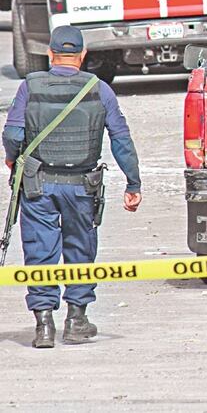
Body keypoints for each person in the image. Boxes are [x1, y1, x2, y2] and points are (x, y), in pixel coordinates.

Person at [2, 26, 142, 349]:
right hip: (82, 186)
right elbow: (121, 139)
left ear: (50, 54)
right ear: (83, 56)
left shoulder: (29, 87)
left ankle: (44, 325)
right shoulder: (100, 90)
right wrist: (133, 182)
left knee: (40, 250)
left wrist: (14, 159)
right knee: (80, 248)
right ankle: (76, 320)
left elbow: (11, 135)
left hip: (39, 184)